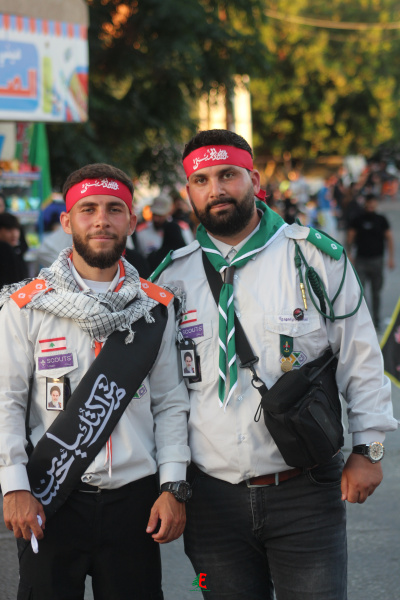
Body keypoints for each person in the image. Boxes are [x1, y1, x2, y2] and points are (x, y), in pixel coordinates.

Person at [155, 129, 398, 600]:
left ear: (255, 179)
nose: (216, 189)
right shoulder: (171, 279)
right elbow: (166, 394)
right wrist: (171, 482)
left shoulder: (313, 257)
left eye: (228, 175)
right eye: (202, 180)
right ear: (189, 192)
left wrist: (369, 449)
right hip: (210, 504)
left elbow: (361, 356)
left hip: (305, 492)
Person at [0, 163, 191, 600]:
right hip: (50, 496)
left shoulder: (156, 307)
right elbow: (6, 400)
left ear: (132, 220)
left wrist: (173, 486)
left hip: (135, 503)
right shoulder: (26, 306)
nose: (101, 220)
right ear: (67, 221)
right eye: (88, 209)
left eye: (114, 209)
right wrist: (15, 487)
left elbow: (170, 402)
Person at [347, 193, 395, 330]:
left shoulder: (381, 220)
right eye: (369, 202)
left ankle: (376, 320)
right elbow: (350, 237)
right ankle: (364, 320)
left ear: (376, 203)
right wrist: (349, 254)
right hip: (361, 260)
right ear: (365, 203)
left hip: (377, 260)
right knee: (360, 292)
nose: (371, 205)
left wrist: (391, 258)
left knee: (376, 293)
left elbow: (389, 238)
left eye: (373, 202)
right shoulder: (358, 219)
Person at [136, 194, 187, 270]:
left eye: (160, 215)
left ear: (169, 212)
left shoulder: (182, 228)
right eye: (154, 214)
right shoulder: (141, 231)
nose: (156, 219)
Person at [0, 212, 28, 288]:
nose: (14, 234)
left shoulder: (17, 251)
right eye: (8, 230)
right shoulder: (4, 249)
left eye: (16, 230)